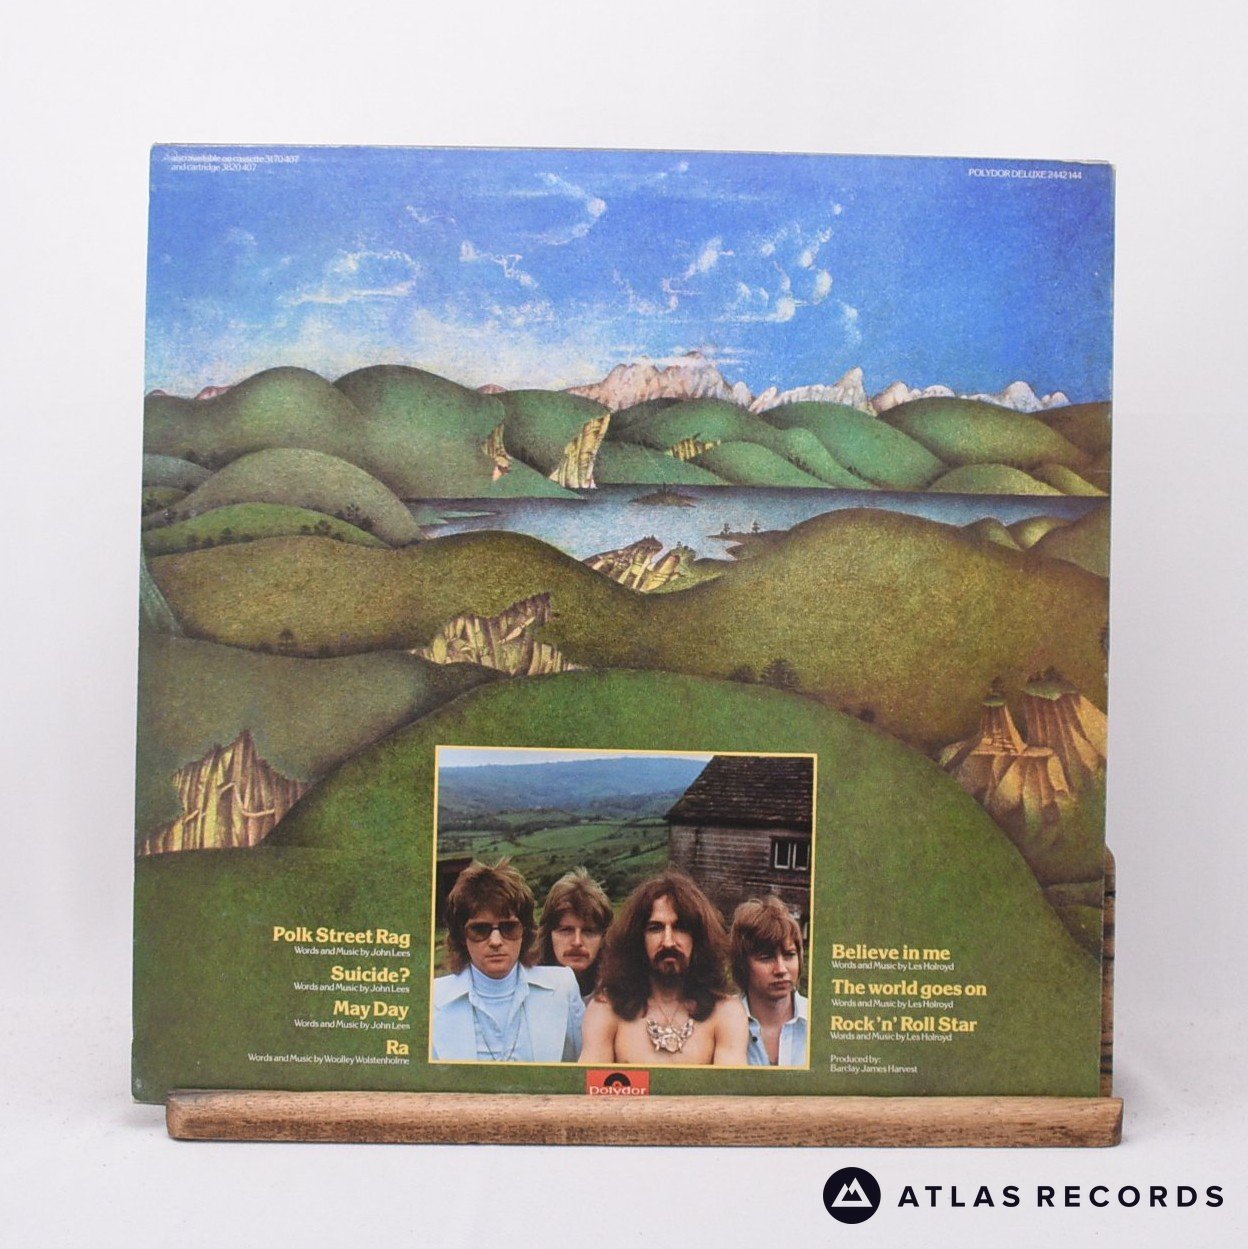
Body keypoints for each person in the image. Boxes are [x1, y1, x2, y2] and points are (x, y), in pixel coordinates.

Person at [580, 870, 748, 1066]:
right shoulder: (606, 1009)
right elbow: (589, 1084)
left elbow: (730, 1086)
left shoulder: (726, 1013)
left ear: (698, 938)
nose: (668, 942)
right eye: (656, 928)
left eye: (680, 928)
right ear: (637, 937)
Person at [432, 860, 583, 1062]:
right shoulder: (433, 999)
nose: (495, 941)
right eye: (480, 929)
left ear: (525, 931)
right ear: (461, 935)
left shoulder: (562, 987)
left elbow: (580, 1066)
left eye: (509, 928)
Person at [729, 896, 809, 1067]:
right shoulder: (723, 1022)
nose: (781, 969)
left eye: (789, 955)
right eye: (766, 957)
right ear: (742, 964)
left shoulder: (818, 1019)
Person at [534, 868, 613, 1004]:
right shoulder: (529, 991)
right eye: (566, 930)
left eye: (588, 931)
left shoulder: (619, 995)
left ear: (603, 938)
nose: (577, 942)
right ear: (548, 934)